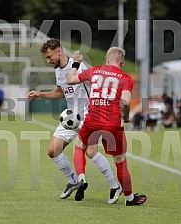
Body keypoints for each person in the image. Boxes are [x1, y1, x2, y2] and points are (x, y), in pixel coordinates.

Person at [27, 38, 120, 203]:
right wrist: (41, 94)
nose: (48, 61)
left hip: (88, 115)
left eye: (50, 57)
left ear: (59, 51)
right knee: (52, 150)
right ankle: (73, 181)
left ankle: (114, 186)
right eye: (46, 58)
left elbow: (97, 83)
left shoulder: (78, 67)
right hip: (71, 117)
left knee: (90, 152)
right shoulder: (58, 70)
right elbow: (61, 92)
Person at [66, 47, 147, 206]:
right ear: (122, 63)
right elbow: (126, 101)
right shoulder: (125, 78)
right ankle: (130, 199)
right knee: (120, 160)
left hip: (92, 120)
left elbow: (70, 80)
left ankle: (81, 177)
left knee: (79, 146)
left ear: (106, 58)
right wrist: (126, 115)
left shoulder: (94, 71)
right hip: (113, 123)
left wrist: (75, 63)